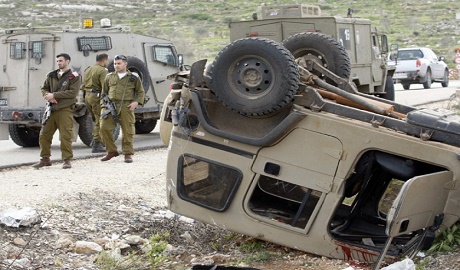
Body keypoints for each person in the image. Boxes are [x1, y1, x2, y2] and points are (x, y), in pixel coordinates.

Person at [32, 53, 81, 169]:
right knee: (44, 135)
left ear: (68, 61)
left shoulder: (74, 76)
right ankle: (45, 159)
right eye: (58, 61)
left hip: (64, 110)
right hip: (51, 109)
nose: (59, 63)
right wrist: (47, 95)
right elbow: (44, 88)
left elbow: (72, 93)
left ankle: (67, 160)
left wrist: (54, 94)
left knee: (65, 136)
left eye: (61, 61)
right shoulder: (51, 75)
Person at [100, 55, 145, 163]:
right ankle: (111, 151)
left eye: (119, 63)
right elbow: (104, 93)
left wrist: (136, 102)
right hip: (110, 106)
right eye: (115, 63)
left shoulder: (133, 77)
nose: (116, 66)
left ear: (125, 64)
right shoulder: (109, 77)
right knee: (103, 128)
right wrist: (103, 105)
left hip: (126, 106)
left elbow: (140, 92)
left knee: (128, 130)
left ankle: (128, 153)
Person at [83, 53, 109, 153]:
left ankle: (94, 141)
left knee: (94, 119)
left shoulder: (89, 69)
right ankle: (97, 144)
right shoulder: (102, 70)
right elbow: (105, 87)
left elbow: (84, 84)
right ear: (104, 60)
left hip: (88, 95)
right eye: (107, 61)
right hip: (97, 96)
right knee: (100, 119)